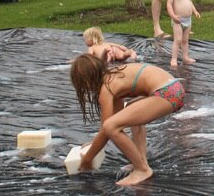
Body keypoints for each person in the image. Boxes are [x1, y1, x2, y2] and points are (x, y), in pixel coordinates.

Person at [69, 54, 184, 186]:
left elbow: (107, 128)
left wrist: (87, 159)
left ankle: (142, 170)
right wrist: (94, 144)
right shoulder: (113, 76)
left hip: (166, 93)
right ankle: (141, 160)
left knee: (111, 126)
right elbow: (116, 120)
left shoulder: (106, 88)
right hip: (174, 88)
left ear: (86, 80)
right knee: (129, 111)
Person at [166, 0, 200, 69]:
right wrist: (172, 15)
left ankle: (185, 57)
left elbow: (189, 2)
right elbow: (169, 4)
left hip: (188, 19)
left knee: (185, 40)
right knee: (178, 40)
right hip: (178, 20)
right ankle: (174, 59)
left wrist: (194, 11)